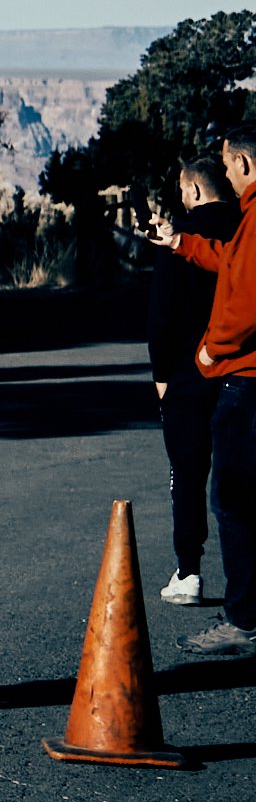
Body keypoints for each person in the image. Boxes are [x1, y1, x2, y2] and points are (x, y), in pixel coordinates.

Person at [148, 124, 256, 657]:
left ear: (242, 163)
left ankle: (218, 597)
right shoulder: (244, 220)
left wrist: (205, 352)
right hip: (236, 378)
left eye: (230, 161)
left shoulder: (253, 218)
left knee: (220, 492)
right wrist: (180, 242)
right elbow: (227, 261)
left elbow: (242, 301)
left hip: (226, 375)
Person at [147, 154, 237, 606]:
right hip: (240, 370)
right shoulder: (246, 226)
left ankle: (189, 571)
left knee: (187, 473)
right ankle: (246, 579)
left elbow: (161, 315)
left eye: (183, 190)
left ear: (195, 190)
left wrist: (160, 374)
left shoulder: (179, 235)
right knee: (240, 477)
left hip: (187, 371)